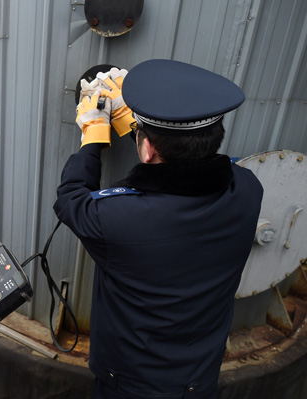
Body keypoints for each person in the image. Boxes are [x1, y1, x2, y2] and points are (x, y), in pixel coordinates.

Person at [53, 59, 263, 399]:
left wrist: (93, 133)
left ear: (147, 151)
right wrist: (139, 131)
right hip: (198, 381)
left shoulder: (118, 219)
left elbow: (70, 199)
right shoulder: (249, 189)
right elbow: (198, 168)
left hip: (129, 386)